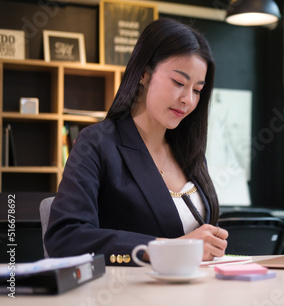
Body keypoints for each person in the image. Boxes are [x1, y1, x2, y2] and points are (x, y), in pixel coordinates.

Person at [44, 18, 228, 266]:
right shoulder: (97, 143)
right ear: (144, 73)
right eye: (178, 83)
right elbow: (65, 239)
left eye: (197, 90)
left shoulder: (189, 152)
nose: (188, 99)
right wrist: (166, 248)